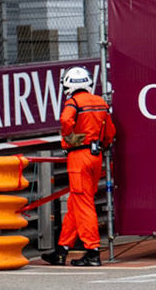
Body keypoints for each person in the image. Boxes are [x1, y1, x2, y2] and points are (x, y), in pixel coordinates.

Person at [42, 66, 113, 267]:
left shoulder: (72, 102)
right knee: (76, 203)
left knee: (83, 204)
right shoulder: (100, 102)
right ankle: (62, 250)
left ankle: (92, 251)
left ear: (68, 84)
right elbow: (110, 132)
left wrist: (69, 137)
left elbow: (65, 119)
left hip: (79, 157)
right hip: (96, 156)